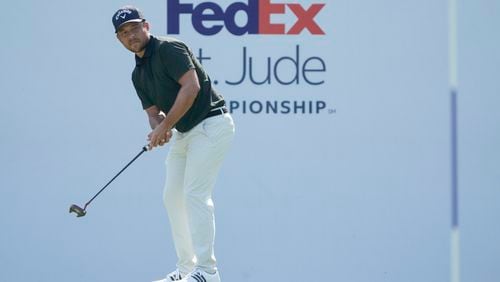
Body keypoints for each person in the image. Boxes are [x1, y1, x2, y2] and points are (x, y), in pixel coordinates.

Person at [112, 6, 235, 282]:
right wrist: (159, 131)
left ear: (146, 26)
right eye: (123, 32)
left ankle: (207, 271)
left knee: (194, 193)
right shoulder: (137, 74)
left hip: (211, 123)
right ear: (119, 39)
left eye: (134, 28)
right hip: (184, 131)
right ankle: (186, 268)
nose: (130, 35)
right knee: (172, 196)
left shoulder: (169, 49)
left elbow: (191, 88)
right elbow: (154, 115)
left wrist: (165, 127)